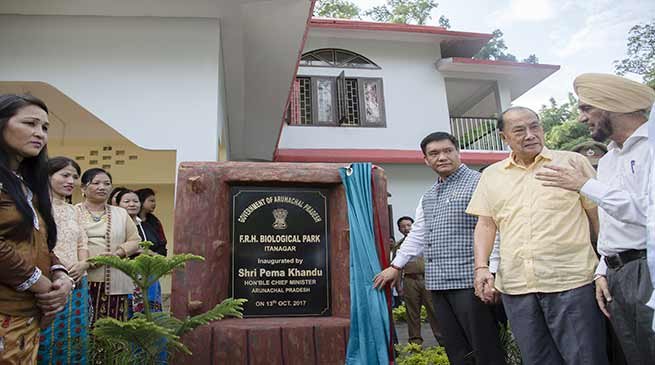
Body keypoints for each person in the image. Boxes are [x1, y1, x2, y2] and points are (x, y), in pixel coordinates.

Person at [467, 106, 608, 365]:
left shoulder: (572, 163)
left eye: (535, 126)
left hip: (572, 282)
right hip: (517, 288)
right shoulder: (491, 175)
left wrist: (606, 266)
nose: (530, 134)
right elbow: (486, 224)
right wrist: (481, 267)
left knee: (586, 358)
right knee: (537, 360)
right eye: (519, 130)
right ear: (504, 137)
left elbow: (597, 217)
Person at [534, 74, 655, 363]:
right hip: (617, 275)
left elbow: (647, 213)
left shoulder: (651, 147)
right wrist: (604, 268)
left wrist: (584, 185)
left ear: (612, 105)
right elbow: (613, 222)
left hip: (646, 270)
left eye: (586, 108)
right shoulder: (610, 158)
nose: (580, 118)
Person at [374, 132, 505, 365]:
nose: (442, 157)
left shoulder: (481, 182)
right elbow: (418, 234)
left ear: (458, 152)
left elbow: (493, 228)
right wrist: (396, 266)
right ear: (426, 160)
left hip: (472, 282)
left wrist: (491, 270)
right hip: (439, 284)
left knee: (485, 350)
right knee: (456, 350)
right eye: (434, 153)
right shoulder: (428, 195)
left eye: (447, 151)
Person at [0, 94, 74, 363]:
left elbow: (37, 241)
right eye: (30, 123)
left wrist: (61, 277)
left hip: (27, 316)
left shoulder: (26, 185)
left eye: (44, 127)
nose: (39, 133)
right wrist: (39, 283)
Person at [38, 157, 90, 364]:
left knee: (75, 337)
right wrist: (62, 269)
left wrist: (82, 264)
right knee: (47, 335)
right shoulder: (37, 206)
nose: (71, 181)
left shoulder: (74, 210)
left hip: (78, 280)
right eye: (65, 175)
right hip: (51, 280)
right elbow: (39, 244)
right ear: (48, 176)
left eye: (75, 177)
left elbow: (82, 243)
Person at [77, 168, 140, 324]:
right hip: (81, 277)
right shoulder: (72, 212)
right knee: (83, 325)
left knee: (114, 327)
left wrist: (117, 254)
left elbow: (135, 240)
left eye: (107, 184)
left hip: (116, 278)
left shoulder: (121, 213)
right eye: (96, 183)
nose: (102, 187)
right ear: (83, 188)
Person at [395, 216, 443, 345]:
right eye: (403, 226)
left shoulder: (426, 241)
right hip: (410, 281)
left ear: (414, 226)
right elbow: (397, 267)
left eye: (408, 225)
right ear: (399, 229)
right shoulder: (399, 246)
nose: (406, 228)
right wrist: (398, 286)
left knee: (434, 311)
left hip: (427, 279)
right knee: (412, 312)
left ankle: (443, 341)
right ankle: (415, 342)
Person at [116, 189, 163, 315]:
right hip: (126, 273)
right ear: (117, 204)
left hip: (148, 274)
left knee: (151, 311)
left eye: (135, 201)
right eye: (127, 201)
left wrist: (150, 253)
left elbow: (157, 247)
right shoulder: (115, 225)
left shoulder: (147, 224)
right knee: (129, 311)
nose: (132, 204)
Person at [135, 188, 167, 257]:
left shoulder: (155, 221)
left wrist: (156, 255)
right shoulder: (131, 220)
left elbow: (162, 243)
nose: (154, 204)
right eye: (151, 201)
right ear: (141, 201)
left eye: (154, 201)